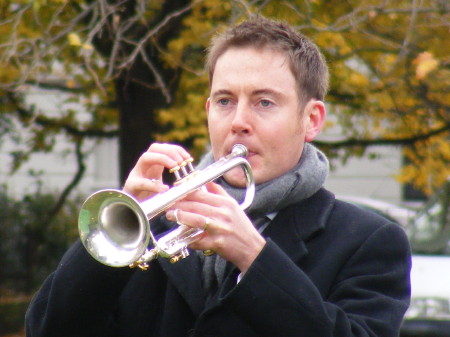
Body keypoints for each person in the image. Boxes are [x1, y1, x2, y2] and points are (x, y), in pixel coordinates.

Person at [25, 16, 411, 337]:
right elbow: (48, 329)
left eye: (264, 102)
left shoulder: (370, 241)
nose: (239, 121)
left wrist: (255, 259)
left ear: (311, 120)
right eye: (225, 101)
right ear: (209, 109)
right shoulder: (157, 222)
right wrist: (115, 236)